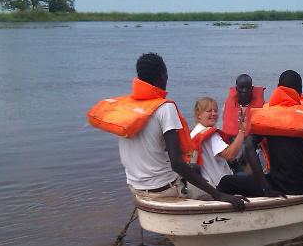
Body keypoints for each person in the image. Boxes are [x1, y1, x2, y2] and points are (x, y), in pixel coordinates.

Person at [88, 53, 246, 210]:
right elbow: (177, 164)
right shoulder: (165, 108)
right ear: (163, 76)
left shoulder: (128, 109)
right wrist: (219, 195)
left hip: (137, 187)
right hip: (165, 188)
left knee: (196, 169)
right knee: (221, 190)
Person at [217, 70, 303, 197]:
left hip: (277, 185)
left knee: (226, 182)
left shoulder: (267, 113)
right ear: (300, 91)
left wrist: (265, 187)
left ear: (278, 88)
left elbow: (248, 146)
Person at [190, 97, 246, 187]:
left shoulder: (193, 134)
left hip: (203, 184)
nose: (213, 114)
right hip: (219, 185)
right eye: (209, 111)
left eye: (215, 111)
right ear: (198, 114)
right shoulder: (212, 135)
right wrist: (242, 132)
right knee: (252, 179)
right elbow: (230, 155)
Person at [221, 74, 264, 142]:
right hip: (232, 142)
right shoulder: (226, 106)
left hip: (253, 143)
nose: (244, 90)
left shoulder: (263, 106)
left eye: (247, 88)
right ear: (236, 88)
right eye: (241, 87)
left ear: (252, 88)